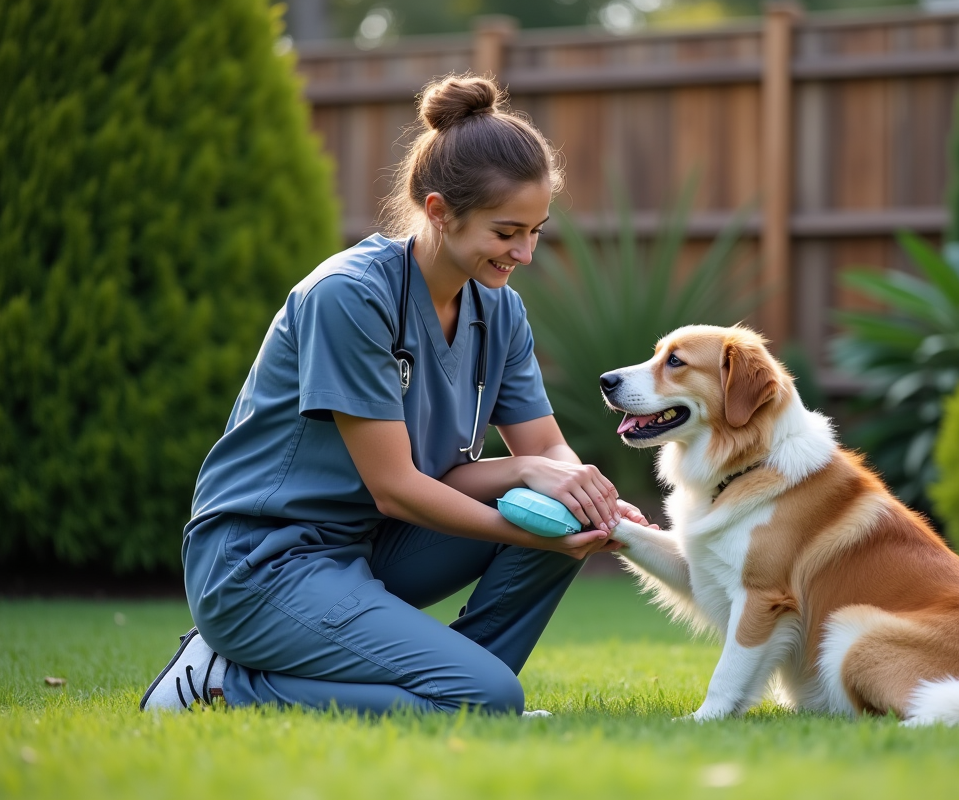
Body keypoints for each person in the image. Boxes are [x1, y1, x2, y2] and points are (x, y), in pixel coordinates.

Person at [139, 74, 649, 716]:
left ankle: (458, 692)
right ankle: (216, 683)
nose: (525, 252)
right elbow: (395, 486)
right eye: (506, 232)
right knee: (489, 688)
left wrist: (596, 504)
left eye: (537, 231)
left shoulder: (501, 311)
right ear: (439, 211)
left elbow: (546, 447)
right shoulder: (349, 296)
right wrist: (526, 508)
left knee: (567, 503)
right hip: (265, 565)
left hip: (373, 546)